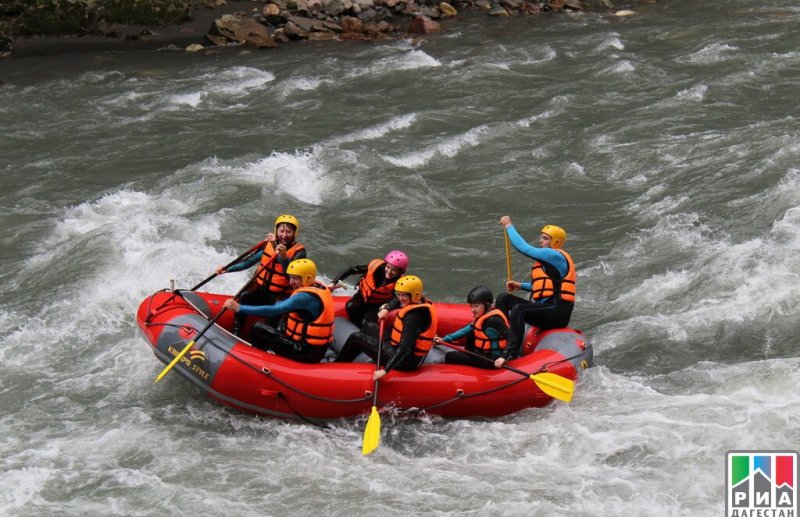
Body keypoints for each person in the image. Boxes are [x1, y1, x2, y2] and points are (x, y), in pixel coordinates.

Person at [222, 258, 333, 364]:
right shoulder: (318, 286)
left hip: (305, 352)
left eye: (295, 278)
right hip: (313, 348)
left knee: (258, 328)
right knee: (280, 313)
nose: (291, 282)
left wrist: (239, 308)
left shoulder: (304, 297)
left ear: (307, 278)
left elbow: (275, 310)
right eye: (290, 277)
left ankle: (258, 361)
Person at [216, 214, 306, 334]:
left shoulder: (299, 252)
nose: (284, 235)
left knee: (277, 310)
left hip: (280, 295)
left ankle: (266, 339)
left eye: (289, 232)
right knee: (244, 296)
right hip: (262, 291)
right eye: (281, 231)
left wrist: (283, 257)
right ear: (276, 231)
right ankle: (237, 333)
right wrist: (226, 269)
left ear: (295, 233)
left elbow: (291, 275)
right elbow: (248, 262)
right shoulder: (268, 245)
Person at [335, 275, 437, 380]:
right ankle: (354, 358)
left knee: (356, 337)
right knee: (369, 326)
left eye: (403, 296)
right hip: (395, 346)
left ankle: (336, 367)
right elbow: (397, 301)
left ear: (414, 295)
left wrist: (385, 371)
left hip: (405, 360)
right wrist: (387, 308)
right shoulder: (421, 300)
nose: (400, 298)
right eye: (399, 294)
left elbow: (404, 348)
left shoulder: (413, 317)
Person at [495, 216, 576, 341]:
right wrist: (520, 286)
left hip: (557, 313)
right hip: (545, 308)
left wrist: (508, 225)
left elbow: (523, 248)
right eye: (541, 237)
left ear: (555, 243)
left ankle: (510, 352)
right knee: (503, 298)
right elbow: (544, 287)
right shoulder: (549, 261)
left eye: (545, 238)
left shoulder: (555, 255)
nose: (540, 241)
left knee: (519, 309)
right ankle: (500, 339)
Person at [433, 286, 518, 369]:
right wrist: (444, 340)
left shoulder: (494, 320)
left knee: (450, 356)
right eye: (471, 306)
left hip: (492, 359)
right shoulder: (480, 318)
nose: (473, 309)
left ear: (487, 304)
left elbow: (512, 338)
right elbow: (463, 331)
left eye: (476, 306)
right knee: (471, 332)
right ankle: (469, 355)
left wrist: (503, 357)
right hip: (481, 353)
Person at [328, 250, 409, 328]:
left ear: (400, 272)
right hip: (362, 296)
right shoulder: (374, 266)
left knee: (366, 322)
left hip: (379, 304)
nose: (389, 271)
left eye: (394, 270)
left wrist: (387, 308)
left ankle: (363, 330)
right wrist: (334, 282)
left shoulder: (401, 281)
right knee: (350, 306)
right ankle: (356, 326)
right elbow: (352, 270)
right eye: (388, 267)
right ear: (385, 264)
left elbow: (399, 298)